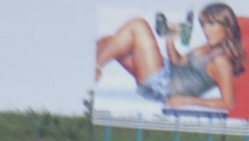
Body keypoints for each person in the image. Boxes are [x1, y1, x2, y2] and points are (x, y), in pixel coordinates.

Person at [95, 7, 241, 116]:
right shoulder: (208, 47)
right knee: (109, 43)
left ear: (227, 27)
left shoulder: (222, 62)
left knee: (138, 25)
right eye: (204, 25)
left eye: (212, 25)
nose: (206, 30)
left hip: (165, 86)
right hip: (167, 70)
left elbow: (229, 103)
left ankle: (96, 68)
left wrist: (188, 101)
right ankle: (91, 71)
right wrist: (169, 40)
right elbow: (178, 62)